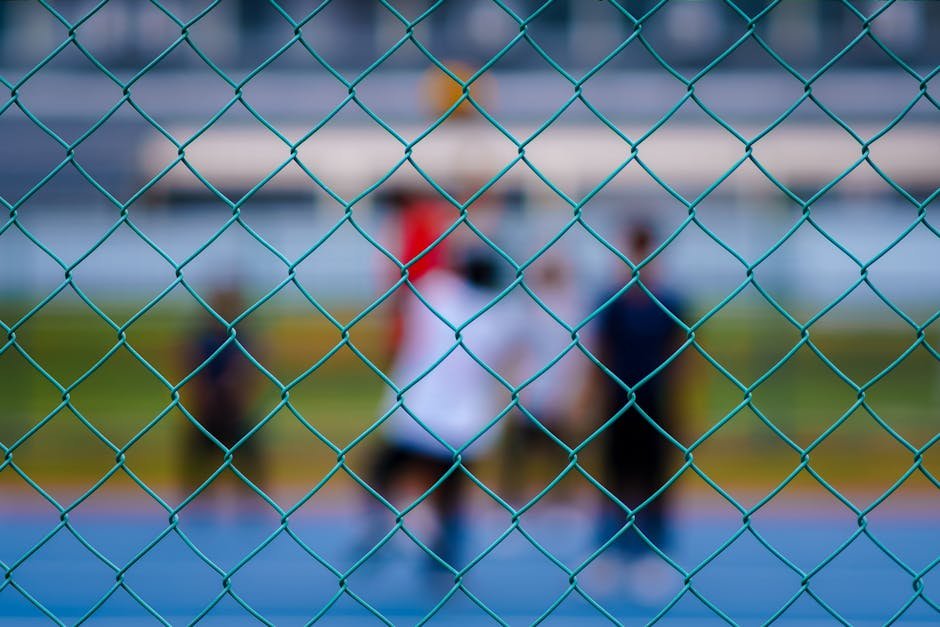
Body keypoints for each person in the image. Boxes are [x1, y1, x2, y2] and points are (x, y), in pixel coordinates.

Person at [366, 246, 517, 568]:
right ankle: (444, 557)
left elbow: (410, 282)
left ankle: (382, 530)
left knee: (380, 474)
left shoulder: (436, 292)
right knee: (450, 497)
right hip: (462, 420)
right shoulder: (498, 316)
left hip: (416, 408)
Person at [590, 222, 687, 564]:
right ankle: (612, 543)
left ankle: (654, 546)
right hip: (618, 399)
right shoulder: (612, 301)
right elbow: (600, 352)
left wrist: (681, 403)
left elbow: (681, 354)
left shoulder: (669, 301)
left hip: (655, 399)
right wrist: (592, 398)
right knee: (615, 472)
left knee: (654, 475)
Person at [182, 287, 265, 505]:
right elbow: (190, 365)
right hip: (208, 410)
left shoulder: (241, 337)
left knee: (251, 461)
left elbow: (252, 369)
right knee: (196, 461)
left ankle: (252, 500)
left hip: (235, 411)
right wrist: (203, 395)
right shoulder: (204, 339)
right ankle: (196, 500)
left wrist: (240, 391)